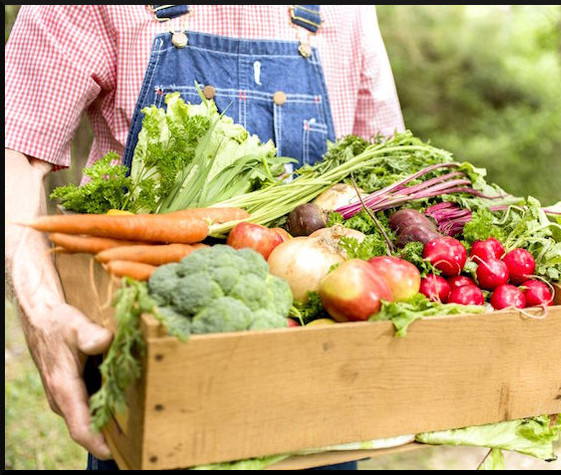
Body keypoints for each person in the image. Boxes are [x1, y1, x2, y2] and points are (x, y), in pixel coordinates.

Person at [4, 5, 405, 470]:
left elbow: (380, 169)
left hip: (313, 392)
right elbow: (15, 150)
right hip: (151, 376)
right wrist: (41, 312)